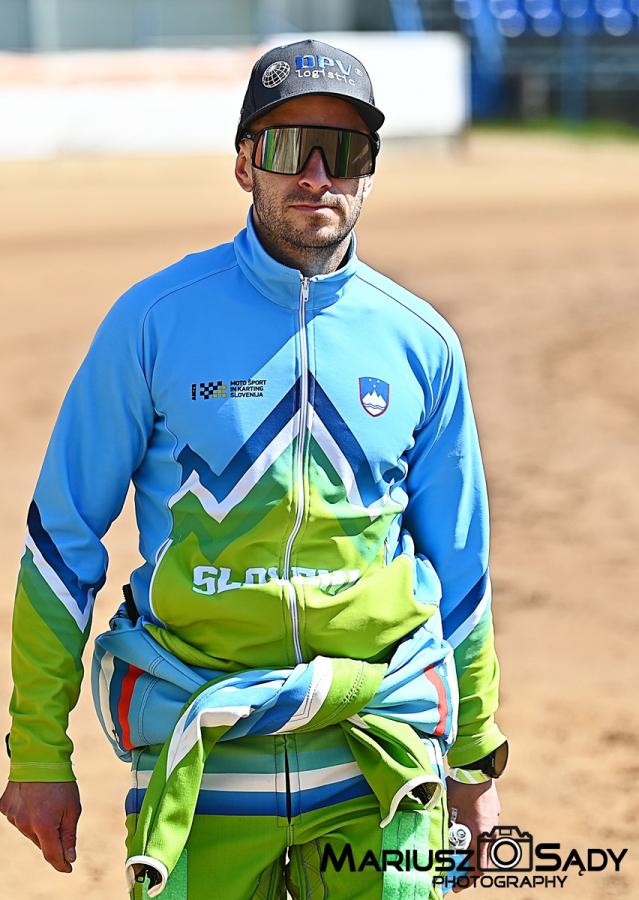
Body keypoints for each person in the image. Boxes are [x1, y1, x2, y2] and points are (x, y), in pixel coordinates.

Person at [1, 39, 507, 899]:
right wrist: (39, 750)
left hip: (378, 768)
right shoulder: (153, 321)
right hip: (202, 768)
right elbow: (62, 540)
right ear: (244, 165)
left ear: (370, 170)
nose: (316, 175)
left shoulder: (421, 342)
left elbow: (461, 565)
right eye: (287, 147)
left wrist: (475, 755)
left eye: (343, 151)